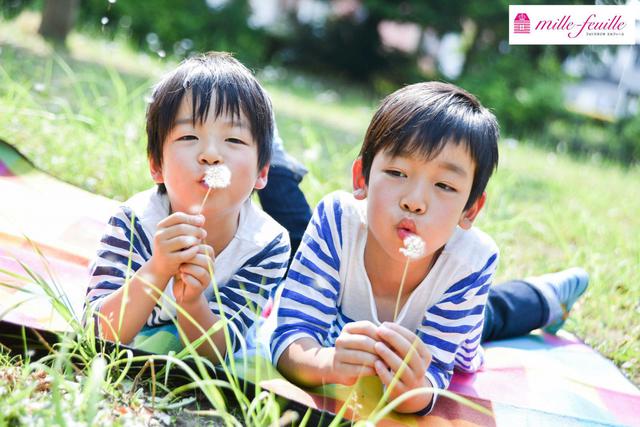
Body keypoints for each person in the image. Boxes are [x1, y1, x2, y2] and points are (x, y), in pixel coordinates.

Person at [268, 82, 589, 415]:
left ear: (471, 210)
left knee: (492, 316)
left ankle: (548, 296)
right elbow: (292, 334)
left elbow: (435, 378)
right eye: (397, 172)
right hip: (359, 314)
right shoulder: (338, 219)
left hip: (449, 314)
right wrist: (326, 363)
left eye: (445, 185)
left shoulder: (469, 262)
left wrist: (414, 389)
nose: (415, 201)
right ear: (362, 177)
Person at [84, 52, 291, 361]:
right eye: (189, 136)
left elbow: (218, 354)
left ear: (263, 172)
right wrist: (157, 268)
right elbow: (97, 334)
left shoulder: (266, 244)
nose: (210, 154)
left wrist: (193, 302)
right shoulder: (134, 222)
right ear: (156, 165)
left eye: (233, 140)